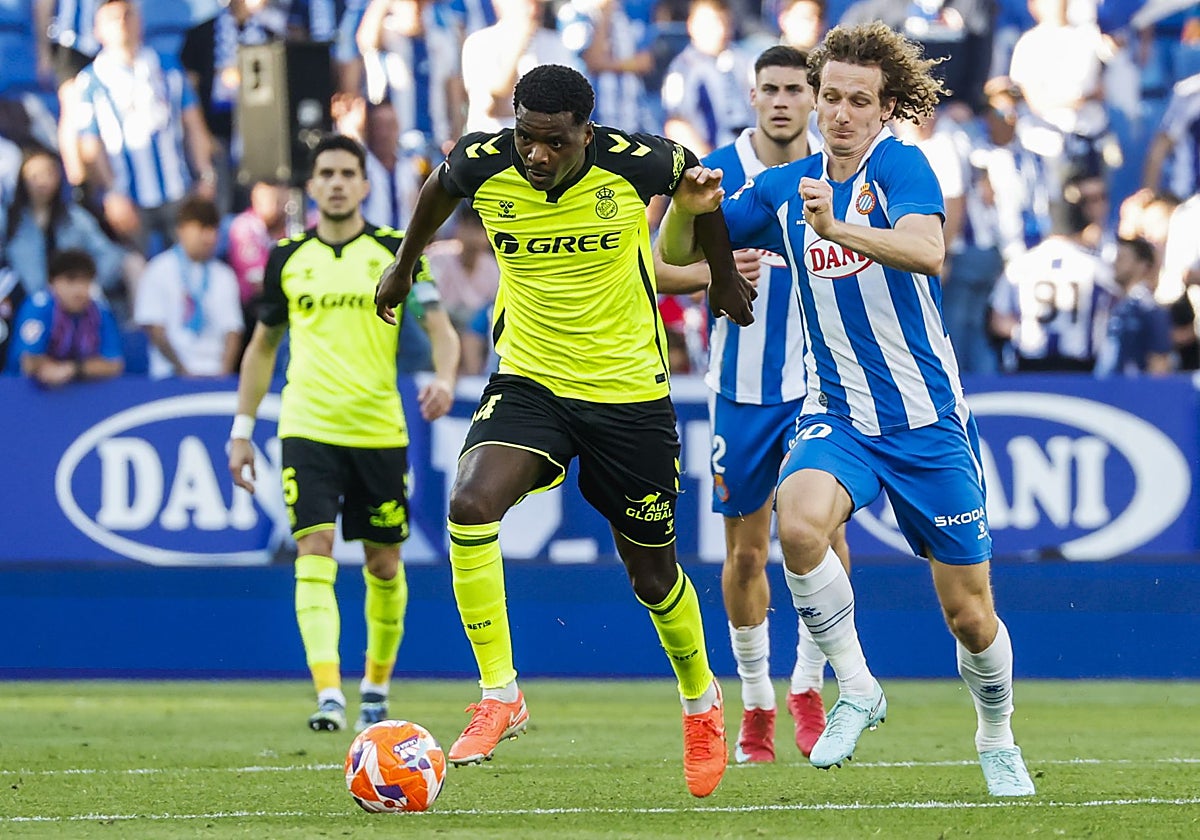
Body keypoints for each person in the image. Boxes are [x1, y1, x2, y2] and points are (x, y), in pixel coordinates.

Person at [659, 21, 1035, 798]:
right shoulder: (781, 188)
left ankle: (996, 736)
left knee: (970, 616)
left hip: (926, 419)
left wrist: (838, 228)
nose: (837, 113)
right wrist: (688, 207)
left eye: (856, 101)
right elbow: (675, 263)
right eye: (829, 96)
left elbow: (929, 251)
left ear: (885, 107)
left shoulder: (902, 166)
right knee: (794, 525)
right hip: (837, 414)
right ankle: (857, 686)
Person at [374, 63, 754, 798]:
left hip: (629, 396)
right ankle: (499, 693)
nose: (536, 155)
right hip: (531, 382)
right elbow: (437, 191)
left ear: (586, 131)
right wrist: (402, 265)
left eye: (553, 141)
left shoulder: (636, 159)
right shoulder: (484, 159)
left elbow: (696, 188)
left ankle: (702, 702)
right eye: (526, 136)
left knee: (652, 576)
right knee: (468, 505)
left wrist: (722, 275)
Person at [652, 44, 848, 765]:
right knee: (746, 554)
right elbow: (656, 262)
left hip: (824, 385)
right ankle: (759, 700)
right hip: (740, 390)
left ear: (814, 96)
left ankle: (809, 684)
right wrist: (710, 268)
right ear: (752, 93)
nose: (782, 101)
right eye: (770, 89)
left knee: (824, 537)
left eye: (796, 89)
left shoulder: (836, 171)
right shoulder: (715, 174)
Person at [228, 133, 461, 733]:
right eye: (325, 172)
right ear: (312, 186)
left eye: (346, 173)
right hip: (307, 426)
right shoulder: (286, 257)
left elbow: (440, 327)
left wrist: (444, 376)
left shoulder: (396, 250)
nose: (335, 182)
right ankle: (329, 694)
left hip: (379, 430)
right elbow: (261, 349)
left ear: (363, 184)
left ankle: (376, 687)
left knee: (384, 565)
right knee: (314, 551)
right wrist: (241, 429)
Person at [134, 196, 244, 380]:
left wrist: (224, 373)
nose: (209, 237)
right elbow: (155, 329)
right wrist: (183, 372)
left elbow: (233, 331)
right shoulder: (158, 270)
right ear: (182, 230)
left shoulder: (224, 275)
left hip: (214, 373)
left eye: (213, 230)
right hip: (169, 376)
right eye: (202, 229)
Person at [7, 248, 124, 386]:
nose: (79, 290)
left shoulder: (99, 311)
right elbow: (29, 361)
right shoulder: (38, 306)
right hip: (19, 392)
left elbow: (114, 364)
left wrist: (72, 369)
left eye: (85, 281)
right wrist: (50, 369)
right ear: (52, 282)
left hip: (80, 395)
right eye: (71, 281)